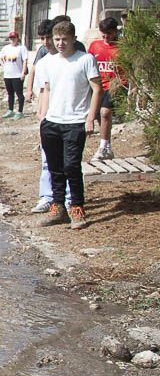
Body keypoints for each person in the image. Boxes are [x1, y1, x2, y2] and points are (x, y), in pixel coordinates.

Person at [35, 19, 101, 230]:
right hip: (52, 122)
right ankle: (58, 207)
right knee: (54, 168)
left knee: (71, 166)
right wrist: (43, 120)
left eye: (65, 39)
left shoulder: (85, 60)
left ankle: (77, 207)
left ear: (73, 39)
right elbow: (47, 91)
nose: (61, 43)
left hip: (75, 121)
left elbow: (97, 89)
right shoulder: (49, 62)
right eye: (57, 39)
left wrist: (90, 118)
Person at [25, 20, 71, 213]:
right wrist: (41, 114)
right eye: (42, 38)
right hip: (48, 116)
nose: (46, 42)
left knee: (68, 161)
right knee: (47, 160)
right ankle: (47, 196)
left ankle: (68, 198)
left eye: (48, 38)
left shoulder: (74, 59)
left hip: (67, 116)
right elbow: (44, 88)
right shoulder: (43, 60)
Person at [87, 17, 122, 161]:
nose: (106, 36)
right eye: (103, 33)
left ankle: (102, 148)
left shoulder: (121, 47)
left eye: (109, 33)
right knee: (100, 117)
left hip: (115, 85)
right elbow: (87, 64)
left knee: (105, 112)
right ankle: (107, 147)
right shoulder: (95, 45)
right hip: (97, 87)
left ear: (115, 32)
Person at [0, 31, 28, 118]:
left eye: (14, 38)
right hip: (8, 75)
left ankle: (20, 111)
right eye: (11, 38)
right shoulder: (6, 48)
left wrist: (23, 72)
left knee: (19, 94)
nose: (12, 40)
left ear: (17, 38)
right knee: (10, 93)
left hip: (17, 74)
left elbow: (25, 60)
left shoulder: (21, 48)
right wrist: (3, 65)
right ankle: (10, 110)